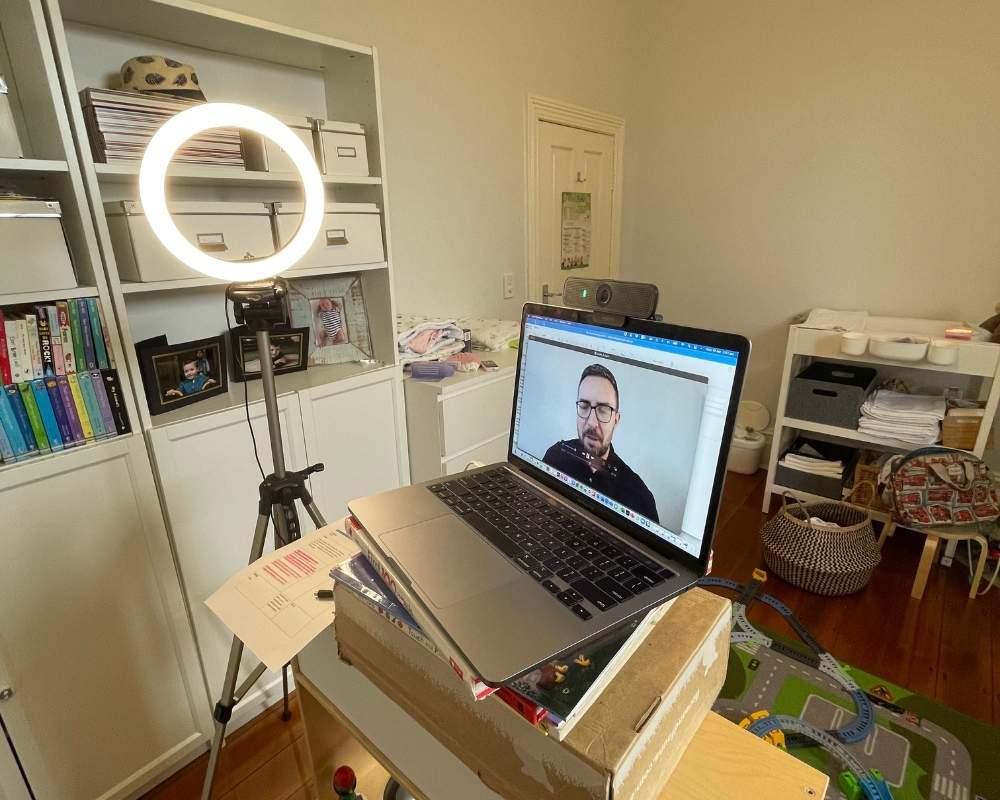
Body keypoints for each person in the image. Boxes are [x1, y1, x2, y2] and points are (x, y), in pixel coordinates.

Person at [543, 363, 659, 522]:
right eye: (584, 406)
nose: (591, 422)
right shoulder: (555, 456)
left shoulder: (639, 498)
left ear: (616, 420)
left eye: (603, 410)